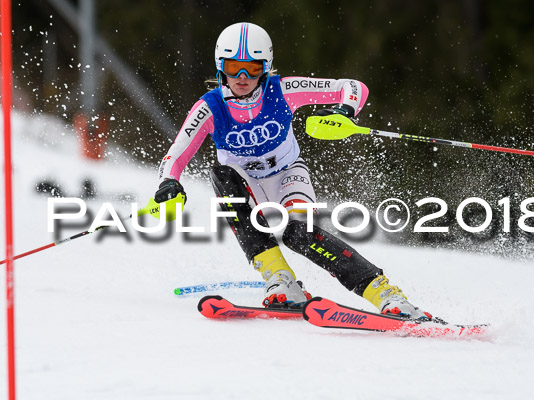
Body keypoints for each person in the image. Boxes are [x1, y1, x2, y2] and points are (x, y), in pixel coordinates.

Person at [154, 22, 431, 320]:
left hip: (288, 175)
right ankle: (281, 281)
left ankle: (388, 296)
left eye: (253, 67)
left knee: (300, 235)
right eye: (234, 67)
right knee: (221, 175)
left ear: (267, 67)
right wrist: (168, 182)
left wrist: (345, 111)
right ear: (221, 66)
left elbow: (352, 87)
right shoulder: (209, 108)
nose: (243, 77)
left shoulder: (283, 89)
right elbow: (177, 154)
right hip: (246, 186)